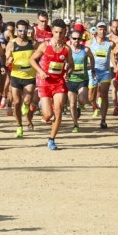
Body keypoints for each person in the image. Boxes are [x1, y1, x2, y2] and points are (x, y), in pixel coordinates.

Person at [30, 19, 74, 150]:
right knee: (48, 115)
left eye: (61, 33)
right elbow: (32, 60)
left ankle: (52, 139)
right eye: (56, 32)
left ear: (65, 32)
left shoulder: (67, 49)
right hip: (44, 82)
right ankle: (41, 106)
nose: (59, 35)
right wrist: (41, 71)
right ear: (52, 32)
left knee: (59, 110)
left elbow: (71, 65)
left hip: (59, 82)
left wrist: (68, 73)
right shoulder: (44, 45)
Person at [6, 19, 36, 137]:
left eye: (25, 30)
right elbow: (7, 60)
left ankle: (27, 106)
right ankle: (19, 126)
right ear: (16, 30)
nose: (22, 32)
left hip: (30, 76)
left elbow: (40, 54)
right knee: (17, 102)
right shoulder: (12, 43)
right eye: (20, 30)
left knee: (27, 100)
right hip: (16, 76)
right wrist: (10, 60)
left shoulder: (33, 43)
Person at [67, 28, 96, 133]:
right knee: (72, 103)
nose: (76, 41)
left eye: (78, 39)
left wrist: (92, 70)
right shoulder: (67, 49)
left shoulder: (86, 50)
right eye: (74, 38)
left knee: (83, 99)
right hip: (70, 80)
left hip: (82, 79)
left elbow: (92, 58)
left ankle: (80, 105)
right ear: (70, 39)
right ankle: (75, 124)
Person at [87, 22, 114, 129]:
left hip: (105, 72)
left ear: (106, 30)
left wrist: (115, 65)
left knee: (104, 94)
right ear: (96, 30)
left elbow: (115, 53)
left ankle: (103, 119)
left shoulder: (110, 44)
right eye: (100, 29)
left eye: (104, 29)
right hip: (93, 72)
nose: (102, 31)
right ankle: (95, 107)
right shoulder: (89, 43)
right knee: (90, 97)